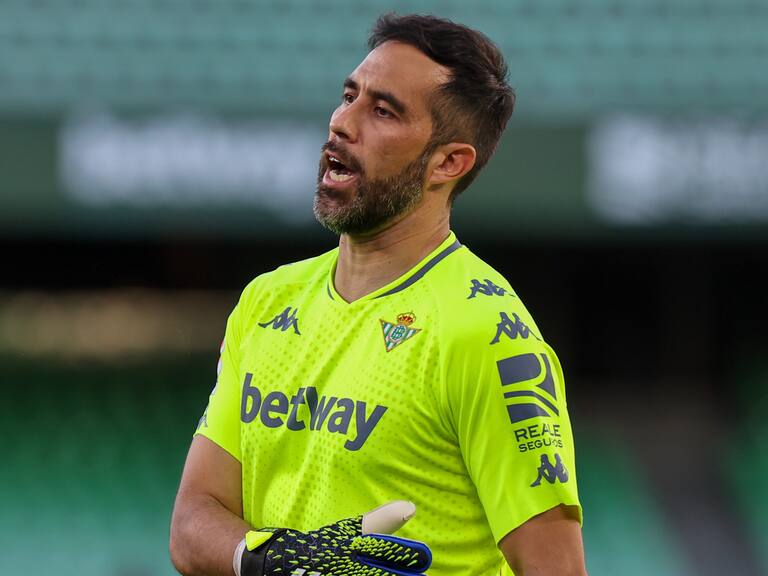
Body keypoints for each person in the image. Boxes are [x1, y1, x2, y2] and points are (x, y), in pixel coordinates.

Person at [170, 13, 586, 576]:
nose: (343, 122)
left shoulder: (485, 335)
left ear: (449, 162)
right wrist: (274, 560)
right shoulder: (267, 302)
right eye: (349, 95)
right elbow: (194, 520)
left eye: (383, 110)